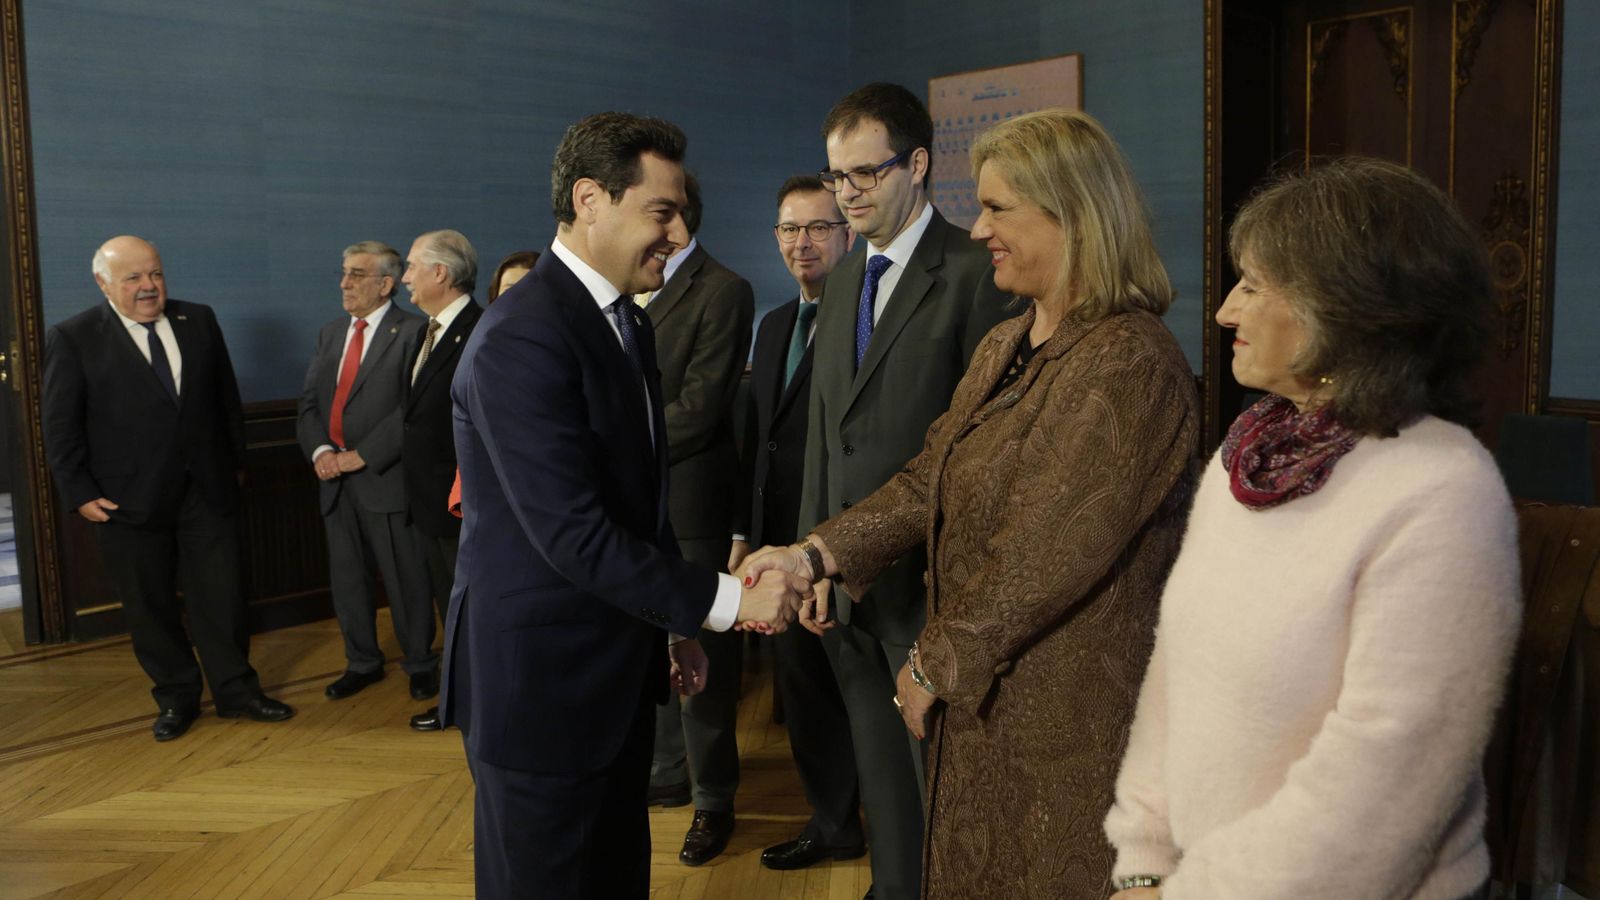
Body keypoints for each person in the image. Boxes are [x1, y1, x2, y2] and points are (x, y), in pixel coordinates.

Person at [743, 108, 1198, 898]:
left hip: (1065, 717)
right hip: (987, 705)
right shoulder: (1009, 339)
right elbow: (927, 478)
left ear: (1073, 214)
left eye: (998, 208)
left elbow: (1045, 551)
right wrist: (814, 552)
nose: (980, 227)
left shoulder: (1130, 361)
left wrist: (931, 660)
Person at [1103, 157, 1520, 900]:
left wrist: (1185, 894)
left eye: (1254, 286)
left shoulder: (1442, 488)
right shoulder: (1253, 458)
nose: (1227, 311)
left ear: (1349, 308)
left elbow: (1379, 789)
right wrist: (1141, 858)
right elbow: (1174, 677)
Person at [436, 111, 806, 900]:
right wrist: (729, 600)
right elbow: (572, 533)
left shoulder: (624, 323)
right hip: (538, 687)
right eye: (662, 212)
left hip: (611, 674)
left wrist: (672, 625)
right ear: (590, 199)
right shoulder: (521, 337)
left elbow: (640, 503)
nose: (677, 234)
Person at [793, 81, 1017, 900]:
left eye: (865, 174)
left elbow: (980, 456)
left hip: (929, 594)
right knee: (884, 789)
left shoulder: (974, 273)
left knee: (942, 795)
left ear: (917, 164)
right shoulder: (845, 280)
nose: (847, 193)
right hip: (848, 589)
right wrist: (816, 562)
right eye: (836, 176)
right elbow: (826, 434)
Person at [42, 235, 294, 741]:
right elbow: (59, 423)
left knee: (221, 598)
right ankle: (177, 698)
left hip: (207, 492)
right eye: (133, 277)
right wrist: (79, 492)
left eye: (154, 274)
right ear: (103, 284)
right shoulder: (74, 337)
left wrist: (236, 467)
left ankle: (237, 692)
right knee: (150, 605)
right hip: (126, 501)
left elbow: (226, 401)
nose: (148, 286)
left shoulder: (197, 319)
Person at [728, 174, 866, 871]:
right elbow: (761, 444)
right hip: (774, 551)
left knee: (858, 696)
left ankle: (897, 833)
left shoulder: (865, 321)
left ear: (847, 235)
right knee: (805, 696)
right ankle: (834, 820)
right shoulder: (776, 322)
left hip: (838, 550)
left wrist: (826, 554)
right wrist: (744, 538)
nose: (801, 243)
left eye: (817, 227)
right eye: (788, 228)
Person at [635, 173, 757, 866]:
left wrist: (616, 445)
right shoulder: (631, 285)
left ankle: (714, 799)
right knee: (653, 648)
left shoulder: (723, 288)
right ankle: (666, 776)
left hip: (692, 507)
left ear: (678, 217)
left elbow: (702, 405)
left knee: (701, 662)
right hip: (638, 504)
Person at [296, 241, 435, 702]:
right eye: (344, 272)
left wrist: (362, 455)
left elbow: (410, 411)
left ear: (387, 283)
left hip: (384, 478)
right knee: (348, 578)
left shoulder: (414, 332)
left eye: (356, 274)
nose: (344, 283)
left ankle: (420, 662)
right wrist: (320, 451)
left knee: (405, 577)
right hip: (334, 481)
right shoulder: (331, 333)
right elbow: (310, 403)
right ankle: (362, 662)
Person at [396, 230, 483, 733]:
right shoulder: (427, 331)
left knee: (465, 610)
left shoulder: (475, 329)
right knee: (447, 606)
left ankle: (471, 705)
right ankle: (459, 699)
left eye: (411, 266)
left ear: (440, 273)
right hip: (427, 504)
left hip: (459, 505)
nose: (404, 276)